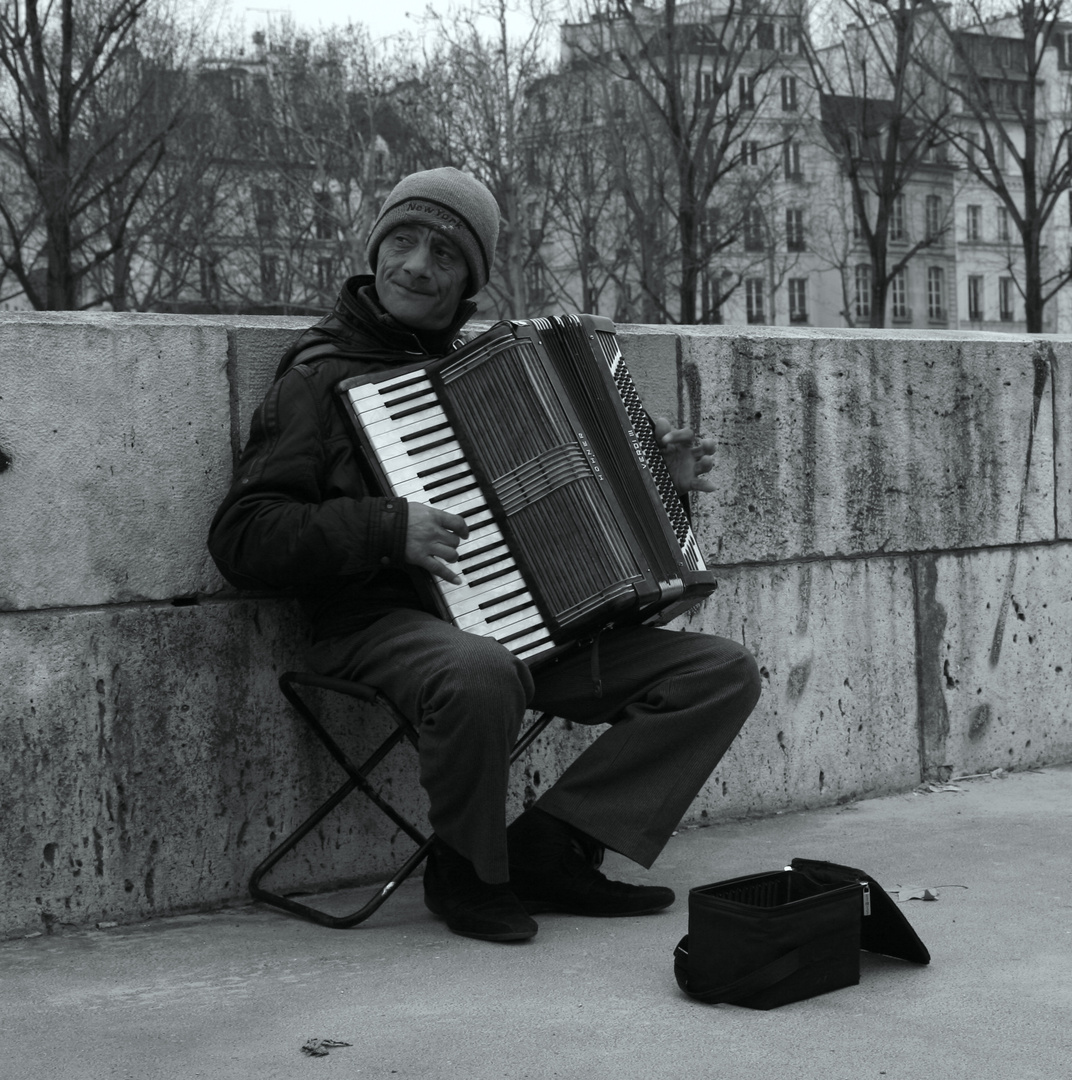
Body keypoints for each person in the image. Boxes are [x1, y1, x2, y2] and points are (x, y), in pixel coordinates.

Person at [209, 167, 760, 943]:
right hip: (377, 624)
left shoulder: (498, 373)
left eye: (443, 253)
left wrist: (663, 488)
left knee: (718, 672)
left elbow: (565, 518)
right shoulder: (318, 373)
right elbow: (243, 535)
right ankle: (465, 867)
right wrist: (384, 528)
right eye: (402, 241)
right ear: (375, 249)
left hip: (527, 623)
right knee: (479, 667)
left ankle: (553, 845)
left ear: (469, 278)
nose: (415, 266)